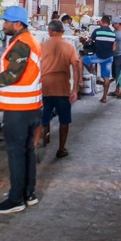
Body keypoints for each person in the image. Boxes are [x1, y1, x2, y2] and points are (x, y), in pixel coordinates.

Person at [0, 6, 43, 214]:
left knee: (16, 153)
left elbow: (11, 77)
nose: (4, 25)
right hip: (31, 106)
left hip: (19, 109)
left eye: (6, 21)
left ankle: (16, 199)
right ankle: (29, 193)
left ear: (17, 24)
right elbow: (18, 71)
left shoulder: (21, 44)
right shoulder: (29, 41)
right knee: (27, 151)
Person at [35, 20, 83, 159]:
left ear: (50, 31)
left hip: (44, 87)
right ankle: (61, 149)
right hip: (62, 88)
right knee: (64, 120)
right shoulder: (69, 47)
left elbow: (35, 67)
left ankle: (34, 146)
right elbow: (76, 67)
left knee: (41, 119)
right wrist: (75, 89)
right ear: (62, 31)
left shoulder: (41, 46)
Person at [82, 15, 115, 103]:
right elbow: (114, 47)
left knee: (80, 59)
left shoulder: (97, 31)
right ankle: (104, 97)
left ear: (102, 22)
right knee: (106, 77)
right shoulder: (113, 34)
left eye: (100, 21)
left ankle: (89, 70)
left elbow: (89, 41)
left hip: (98, 57)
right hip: (109, 57)